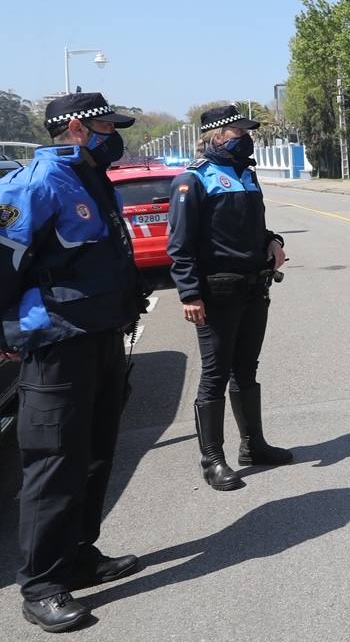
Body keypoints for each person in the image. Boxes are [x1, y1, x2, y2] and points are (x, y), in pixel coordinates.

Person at [0, 92, 145, 632]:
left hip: (102, 337)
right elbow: (2, 257)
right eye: (109, 125)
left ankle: (79, 555)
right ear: (80, 128)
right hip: (58, 345)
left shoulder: (92, 178)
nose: (117, 134)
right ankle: (40, 585)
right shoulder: (34, 182)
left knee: (93, 454)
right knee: (52, 464)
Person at [167, 105, 292, 492]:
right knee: (215, 374)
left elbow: (252, 227)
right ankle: (212, 460)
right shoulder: (194, 180)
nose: (246, 136)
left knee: (246, 369)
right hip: (217, 291)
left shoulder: (246, 175)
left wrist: (272, 240)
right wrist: (189, 293)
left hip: (254, 286)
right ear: (218, 135)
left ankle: (253, 446)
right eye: (239, 131)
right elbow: (180, 244)